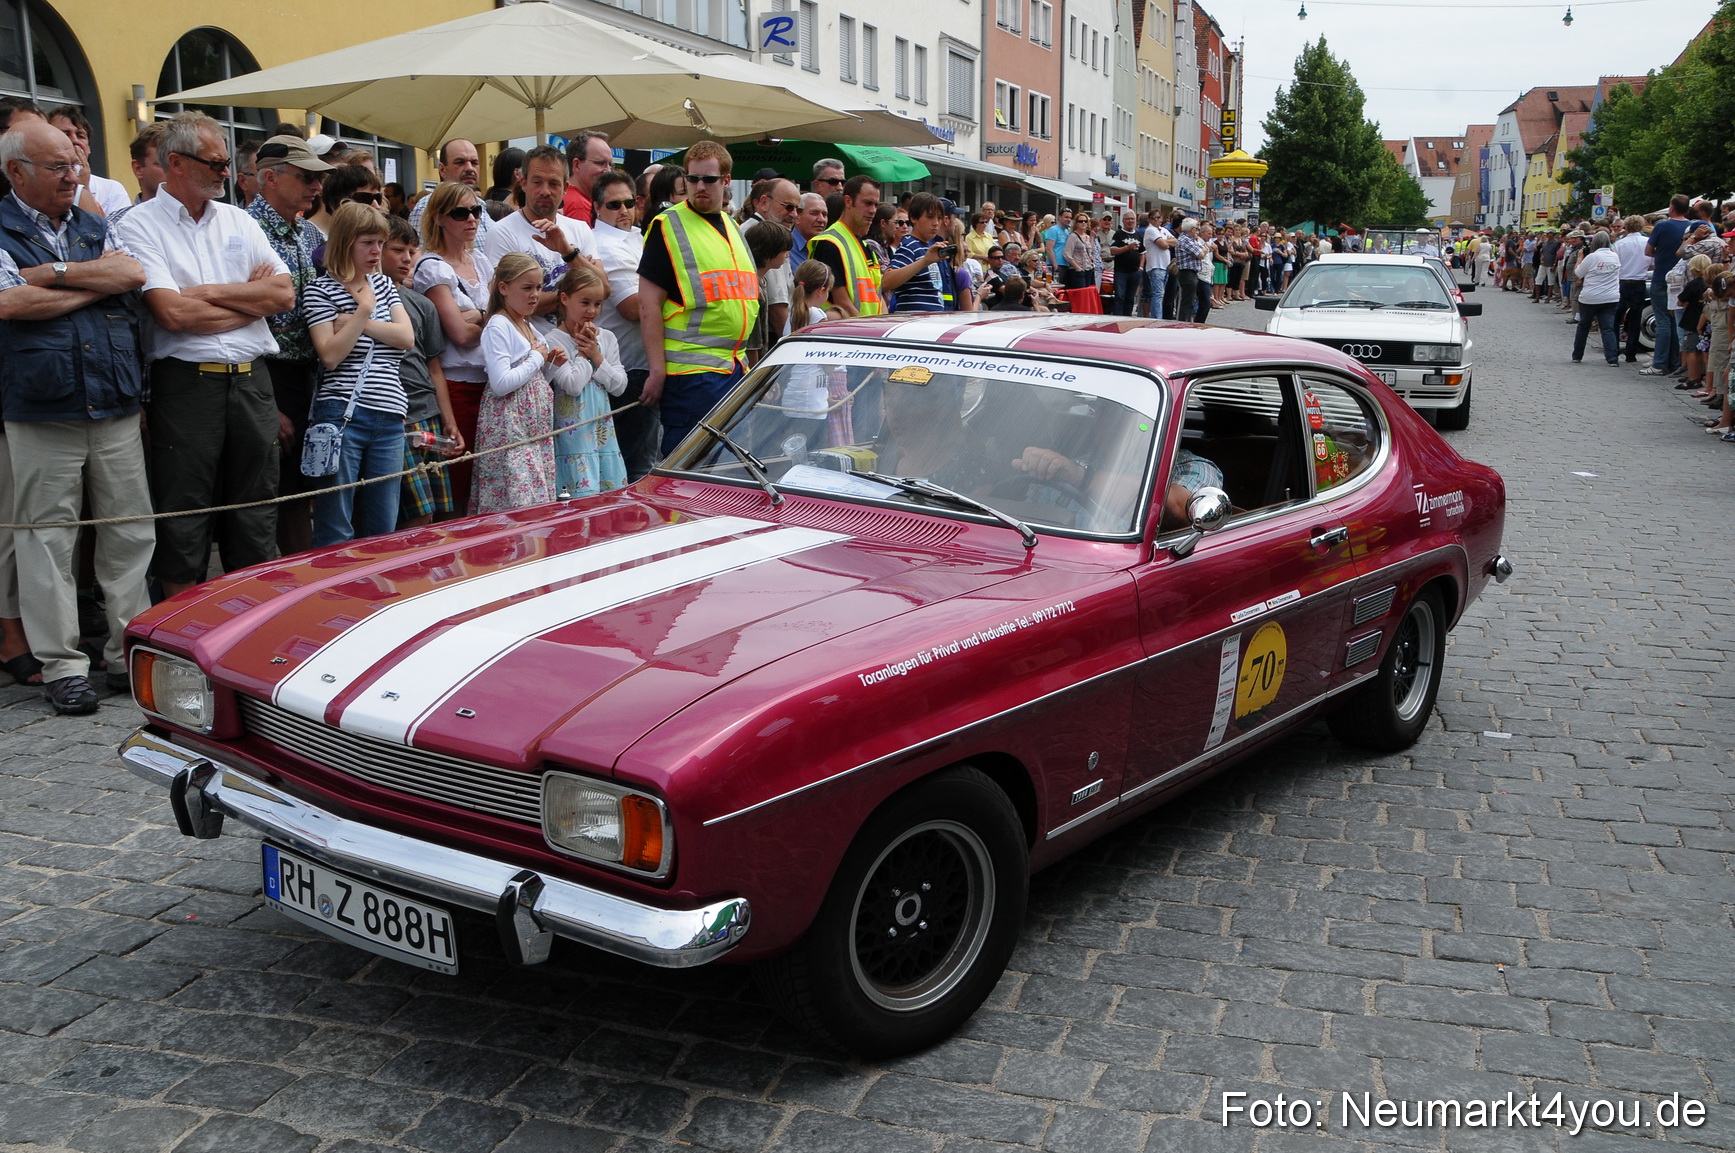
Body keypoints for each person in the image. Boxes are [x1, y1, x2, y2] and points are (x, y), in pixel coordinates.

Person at [0, 116, 152, 714]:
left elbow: (133, 273)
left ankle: (126, 652)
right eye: (58, 166)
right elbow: (11, 302)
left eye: (75, 163)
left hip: (112, 399)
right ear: (16, 172)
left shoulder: (95, 222)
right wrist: (98, 283)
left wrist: (55, 277)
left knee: (129, 532)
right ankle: (62, 665)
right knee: (46, 539)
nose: (73, 175)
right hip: (43, 406)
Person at [115, 111, 293, 597]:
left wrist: (207, 293)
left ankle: (252, 614)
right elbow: (171, 313)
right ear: (176, 163)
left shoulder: (238, 219)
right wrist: (248, 303)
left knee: (256, 507)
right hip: (186, 384)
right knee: (184, 508)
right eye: (215, 163)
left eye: (226, 163)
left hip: (252, 379)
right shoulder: (139, 224)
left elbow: (283, 295)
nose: (226, 173)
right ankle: (178, 623)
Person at [636, 140, 758, 454]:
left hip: (734, 370)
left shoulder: (732, 227)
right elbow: (648, 305)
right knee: (690, 470)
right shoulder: (668, 225)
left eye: (709, 179)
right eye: (692, 179)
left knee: (728, 469)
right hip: (690, 378)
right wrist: (657, 370)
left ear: (726, 181)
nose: (699, 186)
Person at [303, 201, 414, 546]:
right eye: (367, 242)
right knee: (335, 524)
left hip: (390, 412)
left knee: (383, 523)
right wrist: (365, 310)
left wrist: (354, 322)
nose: (376, 251)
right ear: (345, 242)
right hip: (342, 412)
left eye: (380, 242)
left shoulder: (384, 285)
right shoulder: (319, 290)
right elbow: (330, 355)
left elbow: (406, 338)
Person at [247, 135, 334, 556]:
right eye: (306, 177)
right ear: (270, 178)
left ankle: (302, 570)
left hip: (307, 375)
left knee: (302, 488)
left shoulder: (308, 232)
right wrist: (267, 403)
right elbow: (248, 319)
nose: (316, 186)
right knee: (271, 495)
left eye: (318, 178)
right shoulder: (245, 229)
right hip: (264, 373)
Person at [414, 180, 494, 514]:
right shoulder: (432, 267)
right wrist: (488, 316)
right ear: (439, 218)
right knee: (459, 480)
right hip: (457, 384)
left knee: (488, 478)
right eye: (461, 213)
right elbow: (459, 334)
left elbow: (505, 315)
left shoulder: (481, 261)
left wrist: (478, 316)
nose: (471, 218)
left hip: (490, 382)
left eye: (476, 210)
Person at [380, 215, 458, 527]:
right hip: (395, 418)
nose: (407, 258)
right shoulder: (366, 300)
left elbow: (434, 367)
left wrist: (449, 421)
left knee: (437, 510)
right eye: (397, 250)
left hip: (427, 414)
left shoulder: (422, 305)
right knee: (416, 512)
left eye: (412, 251)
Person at [474, 251, 559, 512]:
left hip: (534, 433)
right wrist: (536, 357)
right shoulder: (498, 325)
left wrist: (551, 365)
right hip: (511, 433)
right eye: (527, 288)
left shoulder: (526, 324)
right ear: (504, 288)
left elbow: (534, 381)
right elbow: (501, 383)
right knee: (515, 503)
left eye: (539, 287)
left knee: (536, 503)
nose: (535, 295)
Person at [588, 168, 659, 479]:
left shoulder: (637, 237)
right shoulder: (604, 244)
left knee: (647, 461)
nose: (624, 211)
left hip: (643, 364)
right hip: (627, 370)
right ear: (597, 207)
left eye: (629, 203)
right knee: (636, 467)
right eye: (614, 205)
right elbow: (633, 307)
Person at [541, 262, 628, 498]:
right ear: (565, 299)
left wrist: (597, 356)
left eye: (597, 304)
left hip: (602, 435)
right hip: (573, 439)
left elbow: (619, 386)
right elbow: (572, 385)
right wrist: (583, 353)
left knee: (609, 498)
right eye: (585, 302)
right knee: (579, 498)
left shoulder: (606, 338)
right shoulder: (552, 340)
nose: (591, 310)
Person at [482, 144, 599, 314]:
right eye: (537, 182)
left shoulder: (580, 229)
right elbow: (504, 300)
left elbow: (603, 288)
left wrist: (569, 253)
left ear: (565, 188)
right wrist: (577, 289)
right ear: (523, 183)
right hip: (527, 332)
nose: (545, 191)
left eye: (554, 184)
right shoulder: (501, 232)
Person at [808, 175, 896, 317]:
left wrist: (881, 323)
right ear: (848, 201)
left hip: (868, 326)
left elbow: (878, 295)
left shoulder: (865, 246)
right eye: (867, 203)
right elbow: (842, 302)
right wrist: (869, 327)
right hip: (845, 328)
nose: (873, 210)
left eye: (875, 205)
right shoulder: (829, 243)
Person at [45, 106, 128, 217]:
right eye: (65, 134)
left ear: (88, 147)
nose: (74, 140)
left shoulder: (112, 190)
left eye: (80, 136)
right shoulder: (42, 185)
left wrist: (82, 189)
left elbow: (108, 228)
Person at [1642, 195, 1692, 377]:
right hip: (1683, 279)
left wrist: (1662, 253)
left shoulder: (1662, 226)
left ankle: (1660, 363)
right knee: (1676, 322)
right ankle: (1674, 361)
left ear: (1672, 208)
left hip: (1662, 276)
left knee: (1662, 320)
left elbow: (1648, 251)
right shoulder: (1691, 226)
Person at [409, 139, 493, 245]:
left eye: (474, 163)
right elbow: (417, 251)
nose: (469, 168)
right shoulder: (428, 207)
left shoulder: (480, 204)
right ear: (442, 170)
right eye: (460, 162)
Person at [889, 192, 962, 313]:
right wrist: (924, 261)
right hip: (914, 320)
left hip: (932, 319)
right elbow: (886, 281)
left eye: (939, 218)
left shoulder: (930, 246)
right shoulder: (909, 244)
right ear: (913, 218)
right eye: (930, 217)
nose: (936, 223)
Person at [1570, 231, 1622, 367]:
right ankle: (1612, 358)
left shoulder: (1592, 257)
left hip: (1590, 297)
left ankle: (1577, 355)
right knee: (1607, 328)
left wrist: (1579, 258)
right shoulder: (1615, 256)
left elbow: (1578, 273)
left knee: (1583, 326)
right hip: (1610, 297)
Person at [111, 122, 168, 226]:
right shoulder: (118, 225)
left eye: (178, 163)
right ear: (138, 169)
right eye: (163, 163)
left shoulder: (198, 219)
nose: (175, 171)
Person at [561, 130, 614, 224]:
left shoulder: (564, 196)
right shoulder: (579, 206)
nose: (608, 170)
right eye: (600, 163)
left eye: (610, 165)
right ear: (577, 165)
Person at [1108, 210, 1143, 316]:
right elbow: (1113, 251)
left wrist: (1141, 268)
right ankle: (1117, 318)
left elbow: (1143, 253)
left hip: (1135, 272)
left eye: (1132, 219)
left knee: (1130, 298)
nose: (1130, 221)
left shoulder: (1138, 235)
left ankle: (1127, 318)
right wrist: (1127, 247)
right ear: (1123, 221)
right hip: (1121, 271)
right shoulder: (1118, 234)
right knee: (1120, 297)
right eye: (1127, 219)